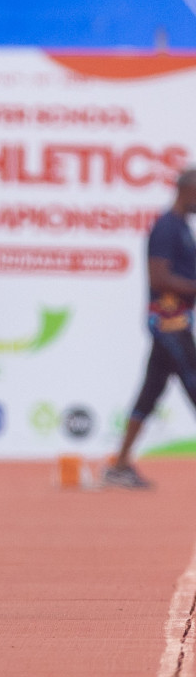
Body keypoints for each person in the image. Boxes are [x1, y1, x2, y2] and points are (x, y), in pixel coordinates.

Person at [106, 170, 196, 489]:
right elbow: (158, 278)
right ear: (188, 189)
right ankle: (118, 464)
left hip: (175, 323)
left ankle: (118, 465)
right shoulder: (167, 227)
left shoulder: (181, 227)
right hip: (169, 323)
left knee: (150, 392)